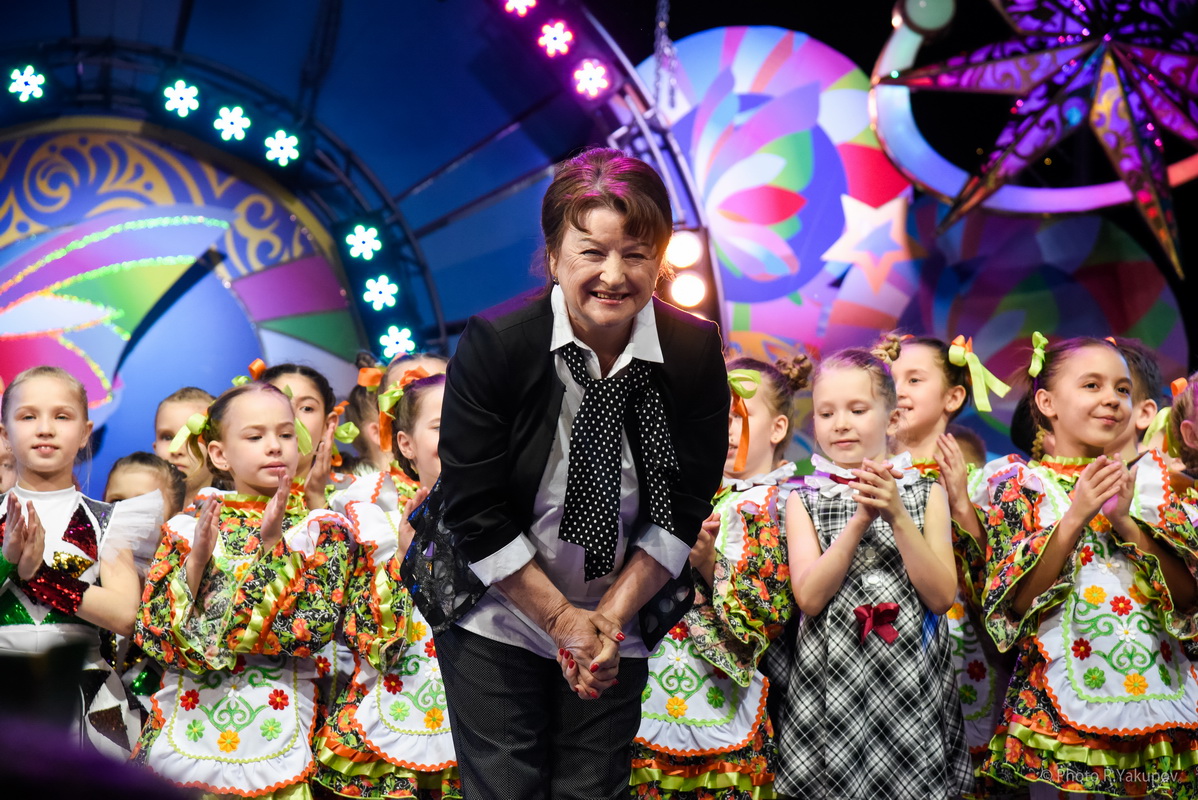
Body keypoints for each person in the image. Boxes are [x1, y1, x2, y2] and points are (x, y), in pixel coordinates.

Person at [421, 147, 729, 800]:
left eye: (636, 254)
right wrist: (563, 622)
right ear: (554, 256)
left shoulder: (692, 350)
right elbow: (474, 507)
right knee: (507, 790)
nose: (614, 275)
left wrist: (606, 622)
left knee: (593, 790)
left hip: (619, 609)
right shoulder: (500, 341)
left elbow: (682, 504)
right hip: (497, 607)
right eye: (592, 252)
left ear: (661, 258)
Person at [977, 335, 1198, 797]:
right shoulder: (1020, 484)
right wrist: (1075, 516)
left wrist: (1125, 522)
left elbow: (1189, 598)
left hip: (1158, 704)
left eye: (1122, 388)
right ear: (1047, 402)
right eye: (1092, 385)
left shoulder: (1150, 482)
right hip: (1060, 715)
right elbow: (1017, 604)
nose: (1112, 399)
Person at [133, 381, 352, 798]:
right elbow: (155, 635)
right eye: (255, 437)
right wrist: (196, 563)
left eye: (285, 434)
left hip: (285, 716)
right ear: (219, 454)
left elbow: (304, 633)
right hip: (189, 717)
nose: (274, 447)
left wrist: (272, 547)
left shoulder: (321, 530)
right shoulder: (188, 529)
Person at [776, 344, 970, 800]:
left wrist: (897, 514)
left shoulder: (926, 494)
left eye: (857, 410)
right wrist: (860, 520)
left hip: (909, 678)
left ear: (891, 418)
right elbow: (810, 598)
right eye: (826, 413)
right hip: (834, 678)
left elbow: (941, 596)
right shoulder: (802, 500)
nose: (840, 423)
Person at [631, 356, 806, 798]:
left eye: (739, 416)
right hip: (650, 685)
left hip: (725, 694)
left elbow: (768, 614)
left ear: (778, 428)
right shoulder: (686, 492)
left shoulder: (780, 503)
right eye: (716, 414)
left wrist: (708, 561)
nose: (725, 429)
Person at [0, 366, 161, 758]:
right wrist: (8, 561)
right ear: (5, 434)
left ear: (86, 432)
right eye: (28, 416)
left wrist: (41, 577)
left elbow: (126, 615)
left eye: (62, 416)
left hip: (85, 694)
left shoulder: (108, 520)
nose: (45, 429)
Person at [315, 373, 458, 798]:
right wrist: (403, 559)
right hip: (398, 705)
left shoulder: (512, 511)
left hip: (491, 711)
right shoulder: (374, 516)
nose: (459, 434)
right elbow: (369, 639)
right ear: (406, 444)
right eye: (441, 425)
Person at [152, 386, 216, 504]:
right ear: (155, 448)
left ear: (217, 452)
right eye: (167, 437)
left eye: (192, 437)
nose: (176, 450)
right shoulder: (135, 509)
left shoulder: (237, 511)